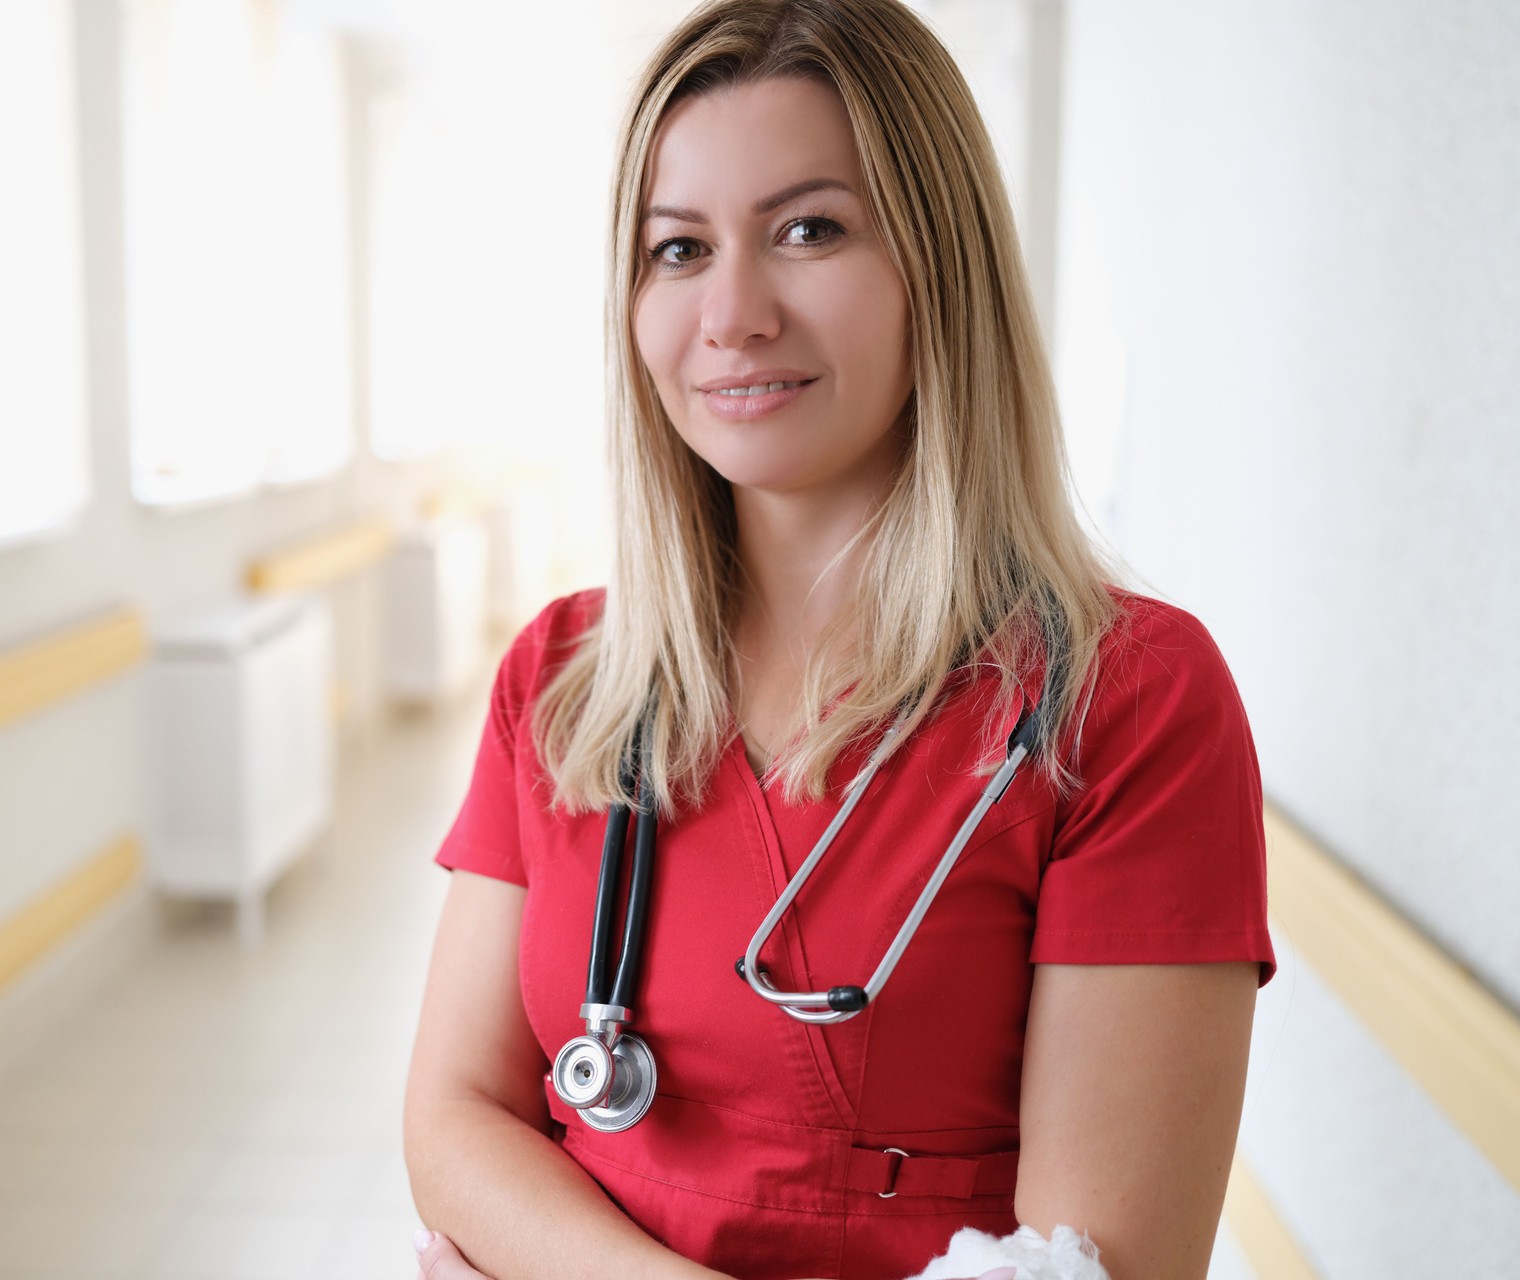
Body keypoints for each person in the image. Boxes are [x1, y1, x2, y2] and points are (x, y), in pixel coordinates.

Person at [403, 1, 1275, 1277]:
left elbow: (1104, 1263)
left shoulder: (1127, 703)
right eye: (679, 248)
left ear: (943, 260)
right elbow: (453, 1116)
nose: (734, 312)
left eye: (809, 229)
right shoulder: (566, 680)